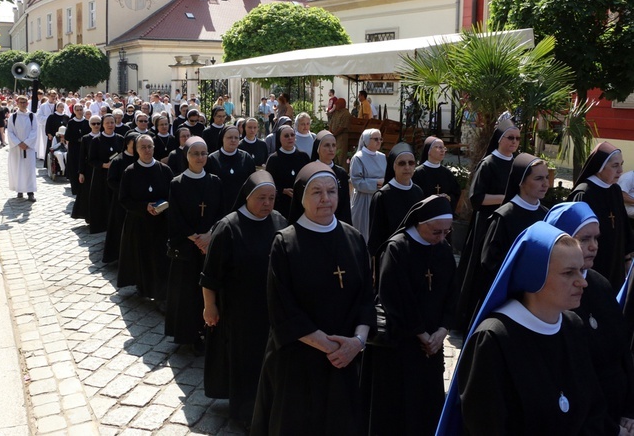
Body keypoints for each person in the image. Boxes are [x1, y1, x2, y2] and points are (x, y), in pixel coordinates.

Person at [438, 222, 608, 435]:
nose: (582, 282)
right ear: (534, 276)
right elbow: (487, 425)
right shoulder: (493, 339)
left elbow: (593, 409)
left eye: (581, 270)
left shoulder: (573, 326)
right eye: (568, 273)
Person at [251, 162, 376, 435]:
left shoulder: (354, 239)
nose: (326, 199)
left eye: (332, 191)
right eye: (317, 192)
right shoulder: (285, 243)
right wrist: (332, 347)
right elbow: (282, 309)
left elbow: (367, 298)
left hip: (344, 361)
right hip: (298, 362)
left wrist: (357, 342)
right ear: (301, 197)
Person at [200, 171, 288, 426]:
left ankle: (270, 406)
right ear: (247, 197)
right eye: (261, 198)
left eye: (272, 198)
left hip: (272, 308)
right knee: (245, 361)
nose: (267, 204)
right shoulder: (228, 226)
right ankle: (245, 414)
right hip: (239, 310)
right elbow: (210, 274)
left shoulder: (280, 221)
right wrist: (210, 306)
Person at [372, 195, 458, 435]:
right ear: (420, 223)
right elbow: (394, 297)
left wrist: (443, 330)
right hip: (402, 343)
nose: (441, 238)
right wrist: (421, 334)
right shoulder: (398, 248)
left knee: (427, 407)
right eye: (436, 232)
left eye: (446, 232)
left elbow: (452, 291)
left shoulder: (443, 249)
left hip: (433, 343)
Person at [545, 202, 634, 433]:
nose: (593, 246)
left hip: (620, 415)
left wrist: (629, 411)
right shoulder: (550, 296)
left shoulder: (600, 284)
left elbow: (623, 350)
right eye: (584, 239)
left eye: (596, 239)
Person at [455, 119, 519, 334]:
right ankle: (470, 319)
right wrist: (507, 199)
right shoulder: (489, 163)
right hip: (487, 224)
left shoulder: (517, 164)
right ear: (499, 140)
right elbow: (477, 198)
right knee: (480, 271)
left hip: (509, 223)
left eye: (518, 138)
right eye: (510, 137)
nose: (514, 142)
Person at [470, 153, 550, 323]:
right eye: (538, 178)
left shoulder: (546, 215)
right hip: (506, 297)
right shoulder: (504, 217)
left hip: (537, 297)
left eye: (546, 178)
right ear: (521, 181)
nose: (545, 184)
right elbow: (489, 261)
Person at [165, 137, 223, 352]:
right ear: (186, 156)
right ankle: (189, 335)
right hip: (188, 248)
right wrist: (195, 238)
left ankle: (210, 331)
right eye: (195, 153)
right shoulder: (177, 183)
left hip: (209, 246)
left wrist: (209, 236)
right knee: (188, 294)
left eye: (204, 153)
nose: (200, 158)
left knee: (208, 293)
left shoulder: (215, 181)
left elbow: (220, 213)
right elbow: (175, 217)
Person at [568, 142, 634, 289]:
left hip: (616, 266)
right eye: (615, 165)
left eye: (621, 164)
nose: (621, 170)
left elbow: (623, 226)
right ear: (600, 166)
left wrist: (627, 258)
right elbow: (574, 238)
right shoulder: (584, 194)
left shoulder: (615, 190)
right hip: (592, 267)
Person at [118, 134, 174, 302]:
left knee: (160, 259)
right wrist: (144, 207)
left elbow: (173, 195)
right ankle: (144, 288)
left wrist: (161, 207)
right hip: (139, 223)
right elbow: (124, 199)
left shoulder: (164, 170)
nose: (147, 150)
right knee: (143, 258)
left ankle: (161, 295)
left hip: (160, 224)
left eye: (150, 146)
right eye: (143, 147)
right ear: (136, 150)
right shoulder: (130, 172)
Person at [368, 142, 424, 258]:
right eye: (402, 163)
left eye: (411, 163)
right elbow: (375, 238)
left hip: (414, 254)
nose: (407, 167)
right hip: (391, 256)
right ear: (393, 166)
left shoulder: (418, 192)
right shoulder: (382, 196)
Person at [102, 131, 138, 264]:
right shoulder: (118, 160)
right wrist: (125, 190)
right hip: (121, 201)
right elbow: (111, 181)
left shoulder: (140, 160)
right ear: (127, 144)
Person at [303, 130, 352, 225]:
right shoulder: (309, 172)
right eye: (327, 145)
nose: (331, 149)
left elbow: (345, 205)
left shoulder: (341, 173)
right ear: (318, 148)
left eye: (334, 145)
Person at [87, 114, 125, 233]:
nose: (110, 125)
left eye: (112, 122)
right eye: (107, 123)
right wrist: (104, 165)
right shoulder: (96, 140)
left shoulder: (120, 138)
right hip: (101, 176)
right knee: (102, 201)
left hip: (116, 176)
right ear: (103, 124)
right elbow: (91, 159)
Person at [205, 125, 255, 213]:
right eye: (229, 137)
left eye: (236, 137)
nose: (233, 140)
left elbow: (252, 182)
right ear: (222, 138)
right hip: (219, 206)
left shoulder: (246, 158)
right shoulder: (212, 159)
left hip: (242, 207)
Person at [349, 129, 387, 243]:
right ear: (366, 140)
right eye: (375, 139)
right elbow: (356, 181)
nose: (379, 141)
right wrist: (376, 183)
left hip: (379, 197)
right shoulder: (358, 157)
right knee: (363, 233)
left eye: (380, 139)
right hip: (363, 199)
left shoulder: (382, 157)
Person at [265, 125, 310, 219]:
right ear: (279, 139)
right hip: (281, 204)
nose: (290, 138)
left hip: (301, 203)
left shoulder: (303, 157)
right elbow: (269, 184)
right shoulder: (273, 159)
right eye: (286, 136)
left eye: (292, 135)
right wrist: (282, 191)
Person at [412, 136, 461, 212]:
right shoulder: (418, 173)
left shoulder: (447, 173)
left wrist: (448, 197)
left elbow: (456, 192)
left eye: (443, 148)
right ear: (429, 151)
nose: (442, 151)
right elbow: (414, 196)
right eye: (438, 147)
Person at [6, 96, 38, 202]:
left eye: (25, 102)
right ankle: (19, 190)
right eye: (21, 102)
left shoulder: (32, 116)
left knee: (29, 169)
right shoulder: (13, 117)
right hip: (17, 148)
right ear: (17, 103)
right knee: (17, 168)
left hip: (28, 147)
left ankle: (30, 191)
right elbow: (10, 131)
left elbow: (34, 131)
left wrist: (27, 142)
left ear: (27, 103)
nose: (23, 104)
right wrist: (19, 143)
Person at [65, 103, 91, 195]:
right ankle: (75, 190)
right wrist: (77, 139)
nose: (79, 112)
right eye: (78, 110)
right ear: (74, 111)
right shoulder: (71, 122)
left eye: (81, 109)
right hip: (74, 150)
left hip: (84, 150)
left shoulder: (87, 122)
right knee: (74, 169)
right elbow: (67, 136)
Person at [327, 98, 351, 168]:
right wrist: (330, 132)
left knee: (341, 155)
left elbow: (342, 127)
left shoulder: (346, 114)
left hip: (341, 137)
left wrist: (334, 134)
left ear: (342, 105)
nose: (335, 105)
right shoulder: (336, 113)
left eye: (337, 104)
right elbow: (331, 123)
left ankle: (343, 170)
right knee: (334, 154)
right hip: (334, 136)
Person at [44, 102, 68, 167]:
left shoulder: (66, 117)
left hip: (64, 137)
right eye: (60, 107)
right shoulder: (51, 116)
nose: (62, 108)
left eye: (63, 107)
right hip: (54, 137)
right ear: (56, 108)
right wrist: (49, 134)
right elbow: (48, 126)